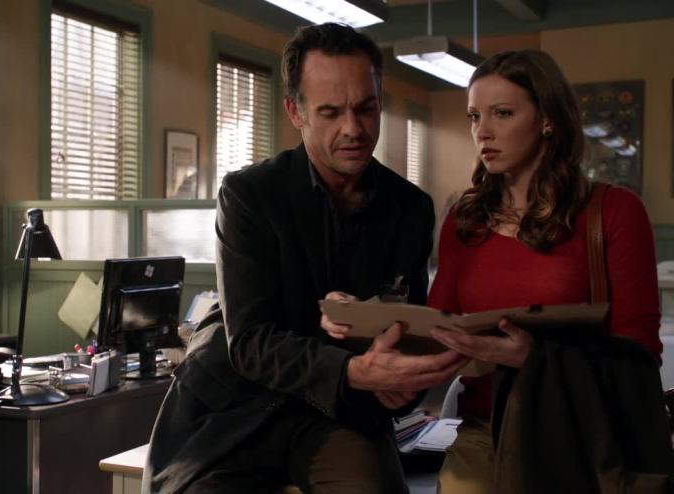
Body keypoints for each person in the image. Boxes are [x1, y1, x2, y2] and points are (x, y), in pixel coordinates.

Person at [142, 23, 469, 494]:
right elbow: (250, 342)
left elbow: (408, 332)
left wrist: (401, 384)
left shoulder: (410, 208)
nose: (353, 129)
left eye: (365, 108)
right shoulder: (249, 194)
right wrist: (352, 369)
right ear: (295, 111)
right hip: (237, 408)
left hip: (340, 412)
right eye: (330, 112)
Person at [425, 50, 663, 491]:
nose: (483, 131)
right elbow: (438, 325)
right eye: (475, 116)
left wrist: (535, 359)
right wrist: (367, 323)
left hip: (580, 433)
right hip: (485, 429)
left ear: (548, 119)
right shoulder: (465, 219)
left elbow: (640, 355)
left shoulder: (613, 211)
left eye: (502, 113)